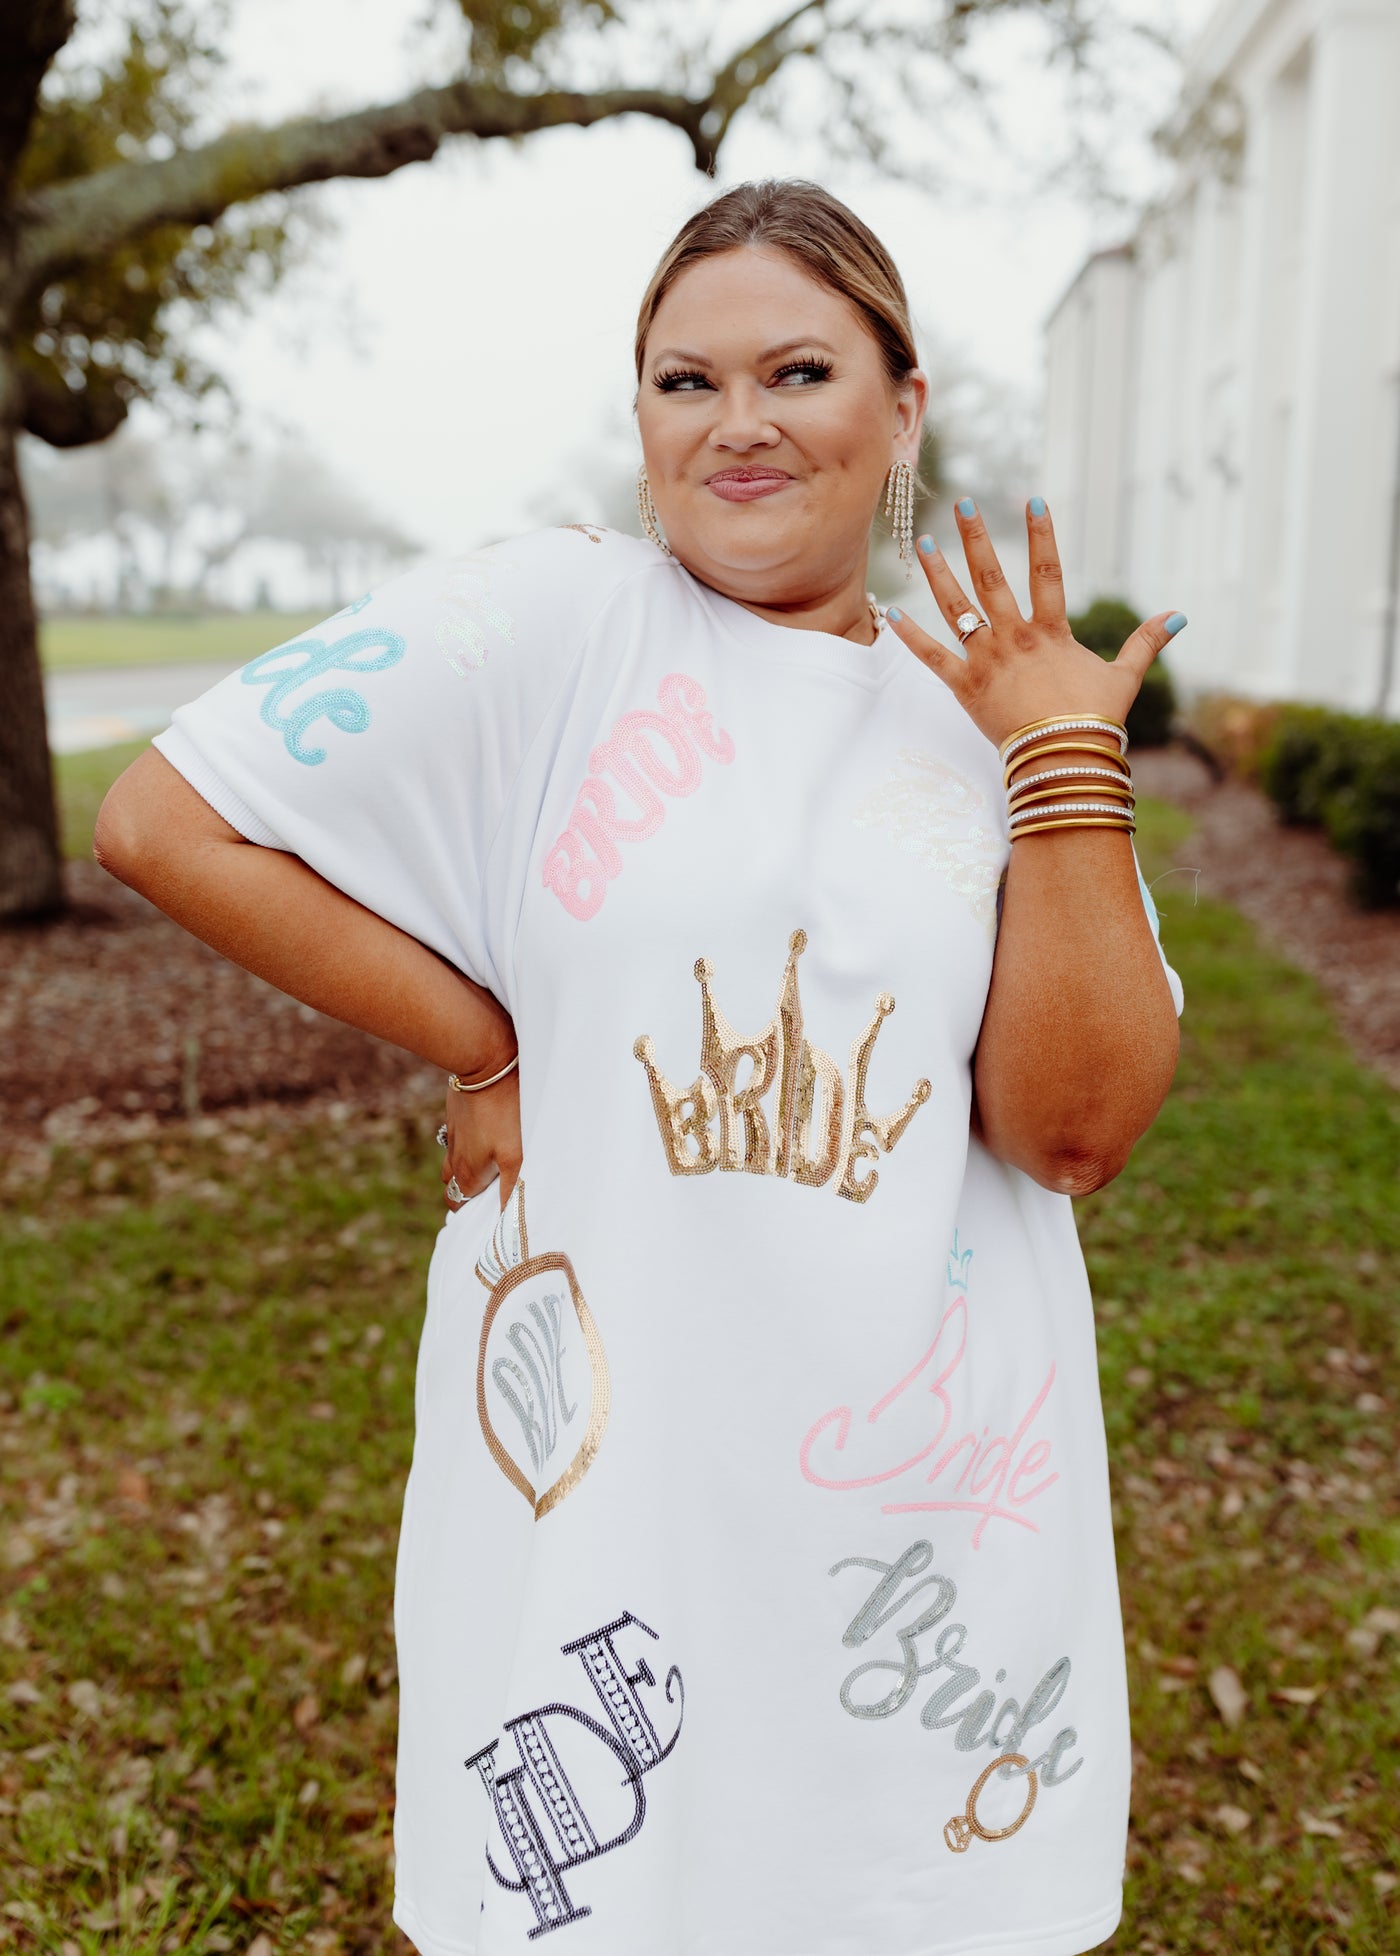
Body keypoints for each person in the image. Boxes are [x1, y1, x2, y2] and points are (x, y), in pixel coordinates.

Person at [97, 178, 1184, 1956]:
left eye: (799, 371)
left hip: (917, 1520)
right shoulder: (557, 625)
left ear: (902, 408)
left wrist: (1064, 760)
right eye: (685, 383)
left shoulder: (984, 715)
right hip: (616, 1501)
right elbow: (166, 819)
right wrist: (480, 1032)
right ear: (640, 421)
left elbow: (1071, 1132)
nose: (738, 424)